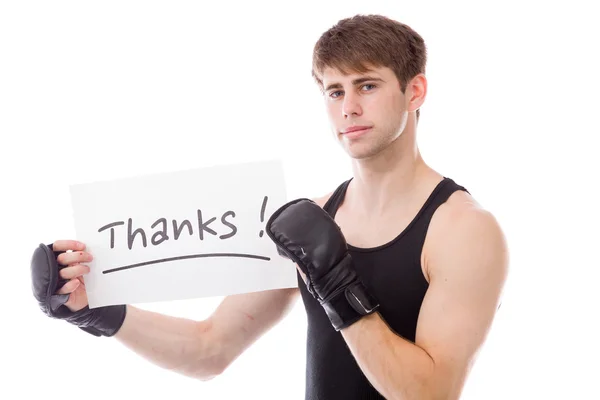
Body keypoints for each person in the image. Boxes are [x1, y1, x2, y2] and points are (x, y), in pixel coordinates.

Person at [30, 14, 509, 400]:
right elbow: (209, 348)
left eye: (367, 86)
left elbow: (431, 394)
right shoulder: (312, 221)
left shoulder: (463, 229)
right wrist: (95, 311)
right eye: (334, 91)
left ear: (414, 91)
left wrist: (337, 287)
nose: (349, 108)